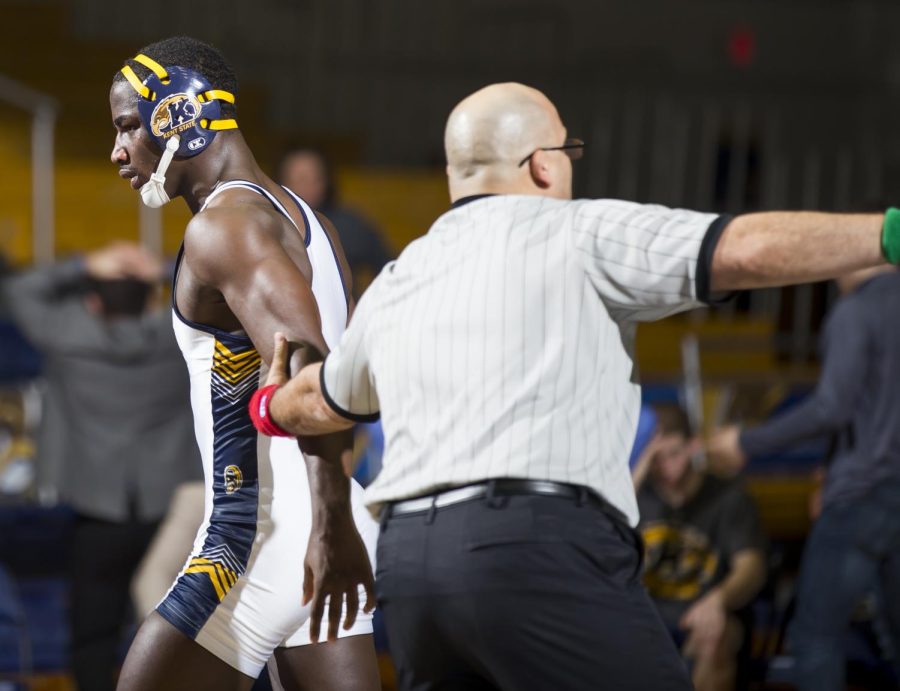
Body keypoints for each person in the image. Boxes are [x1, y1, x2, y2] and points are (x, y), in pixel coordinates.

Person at [252, 82, 900, 690]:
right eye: (569, 149)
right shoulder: (582, 232)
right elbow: (743, 249)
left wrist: (268, 404)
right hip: (535, 546)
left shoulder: (401, 276)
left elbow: (319, 401)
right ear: (542, 164)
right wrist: (886, 233)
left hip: (413, 570)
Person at [108, 37, 380, 691]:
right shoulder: (307, 216)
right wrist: (338, 521)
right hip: (325, 514)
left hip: (264, 530)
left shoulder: (223, 227)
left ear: (177, 114)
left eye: (126, 127)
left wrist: (329, 524)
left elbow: (310, 373)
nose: (118, 152)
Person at [1, 242, 202, 691]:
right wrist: (162, 268)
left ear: (92, 301)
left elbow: (18, 292)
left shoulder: (70, 334)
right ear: (150, 297)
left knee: (93, 634)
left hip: (97, 507)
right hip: (170, 504)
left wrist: (84, 264)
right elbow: (219, 290)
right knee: (173, 626)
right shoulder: (176, 337)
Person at [708, 264, 900, 691]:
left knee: (815, 639)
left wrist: (746, 442)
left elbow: (833, 406)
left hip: (863, 496)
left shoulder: (858, 310)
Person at [633, 405, 766, 691]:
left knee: (715, 638)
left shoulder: (728, 496)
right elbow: (601, 528)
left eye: (674, 454)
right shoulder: (636, 495)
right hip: (644, 618)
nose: (666, 467)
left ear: (694, 445)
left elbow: (752, 567)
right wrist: (639, 466)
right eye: (656, 458)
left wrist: (719, 600)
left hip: (703, 611)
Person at [278, 148, 391, 298]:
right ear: (281, 182)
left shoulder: (349, 224)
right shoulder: (268, 225)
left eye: (317, 179)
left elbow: (388, 268)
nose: (309, 186)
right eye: (301, 179)